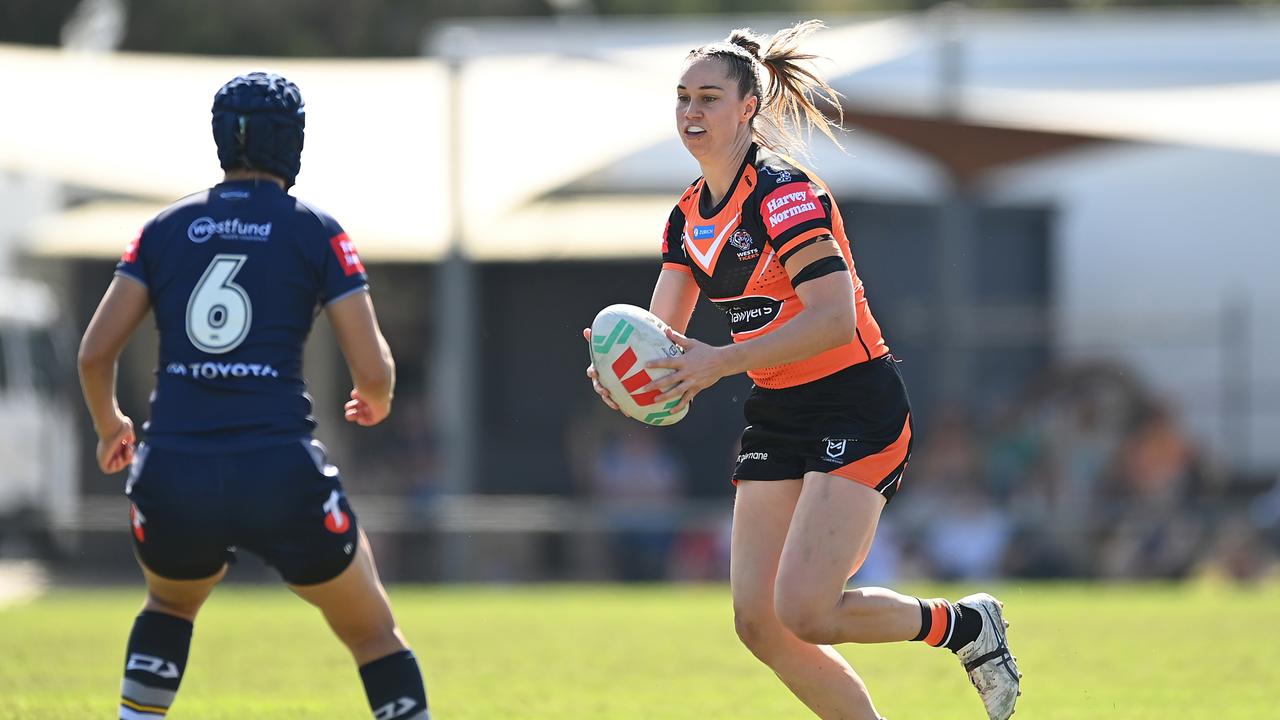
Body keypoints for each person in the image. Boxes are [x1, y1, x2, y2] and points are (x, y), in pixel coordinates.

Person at [585, 22, 1019, 720]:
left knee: (807, 611)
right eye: (682, 98)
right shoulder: (685, 218)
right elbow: (665, 344)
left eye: (708, 98)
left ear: (747, 108)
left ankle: (964, 626)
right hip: (779, 412)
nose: (691, 112)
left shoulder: (785, 195)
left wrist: (718, 362)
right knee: (758, 623)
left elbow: (832, 319)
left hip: (856, 403)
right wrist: (625, 376)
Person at [77, 72, 429, 720]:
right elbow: (373, 368)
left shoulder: (164, 228)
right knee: (372, 632)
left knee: (170, 604)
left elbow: (96, 353)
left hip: (175, 469)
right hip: (278, 470)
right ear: (293, 141)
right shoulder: (315, 230)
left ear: (220, 140)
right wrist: (374, 399)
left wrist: (110, 426)